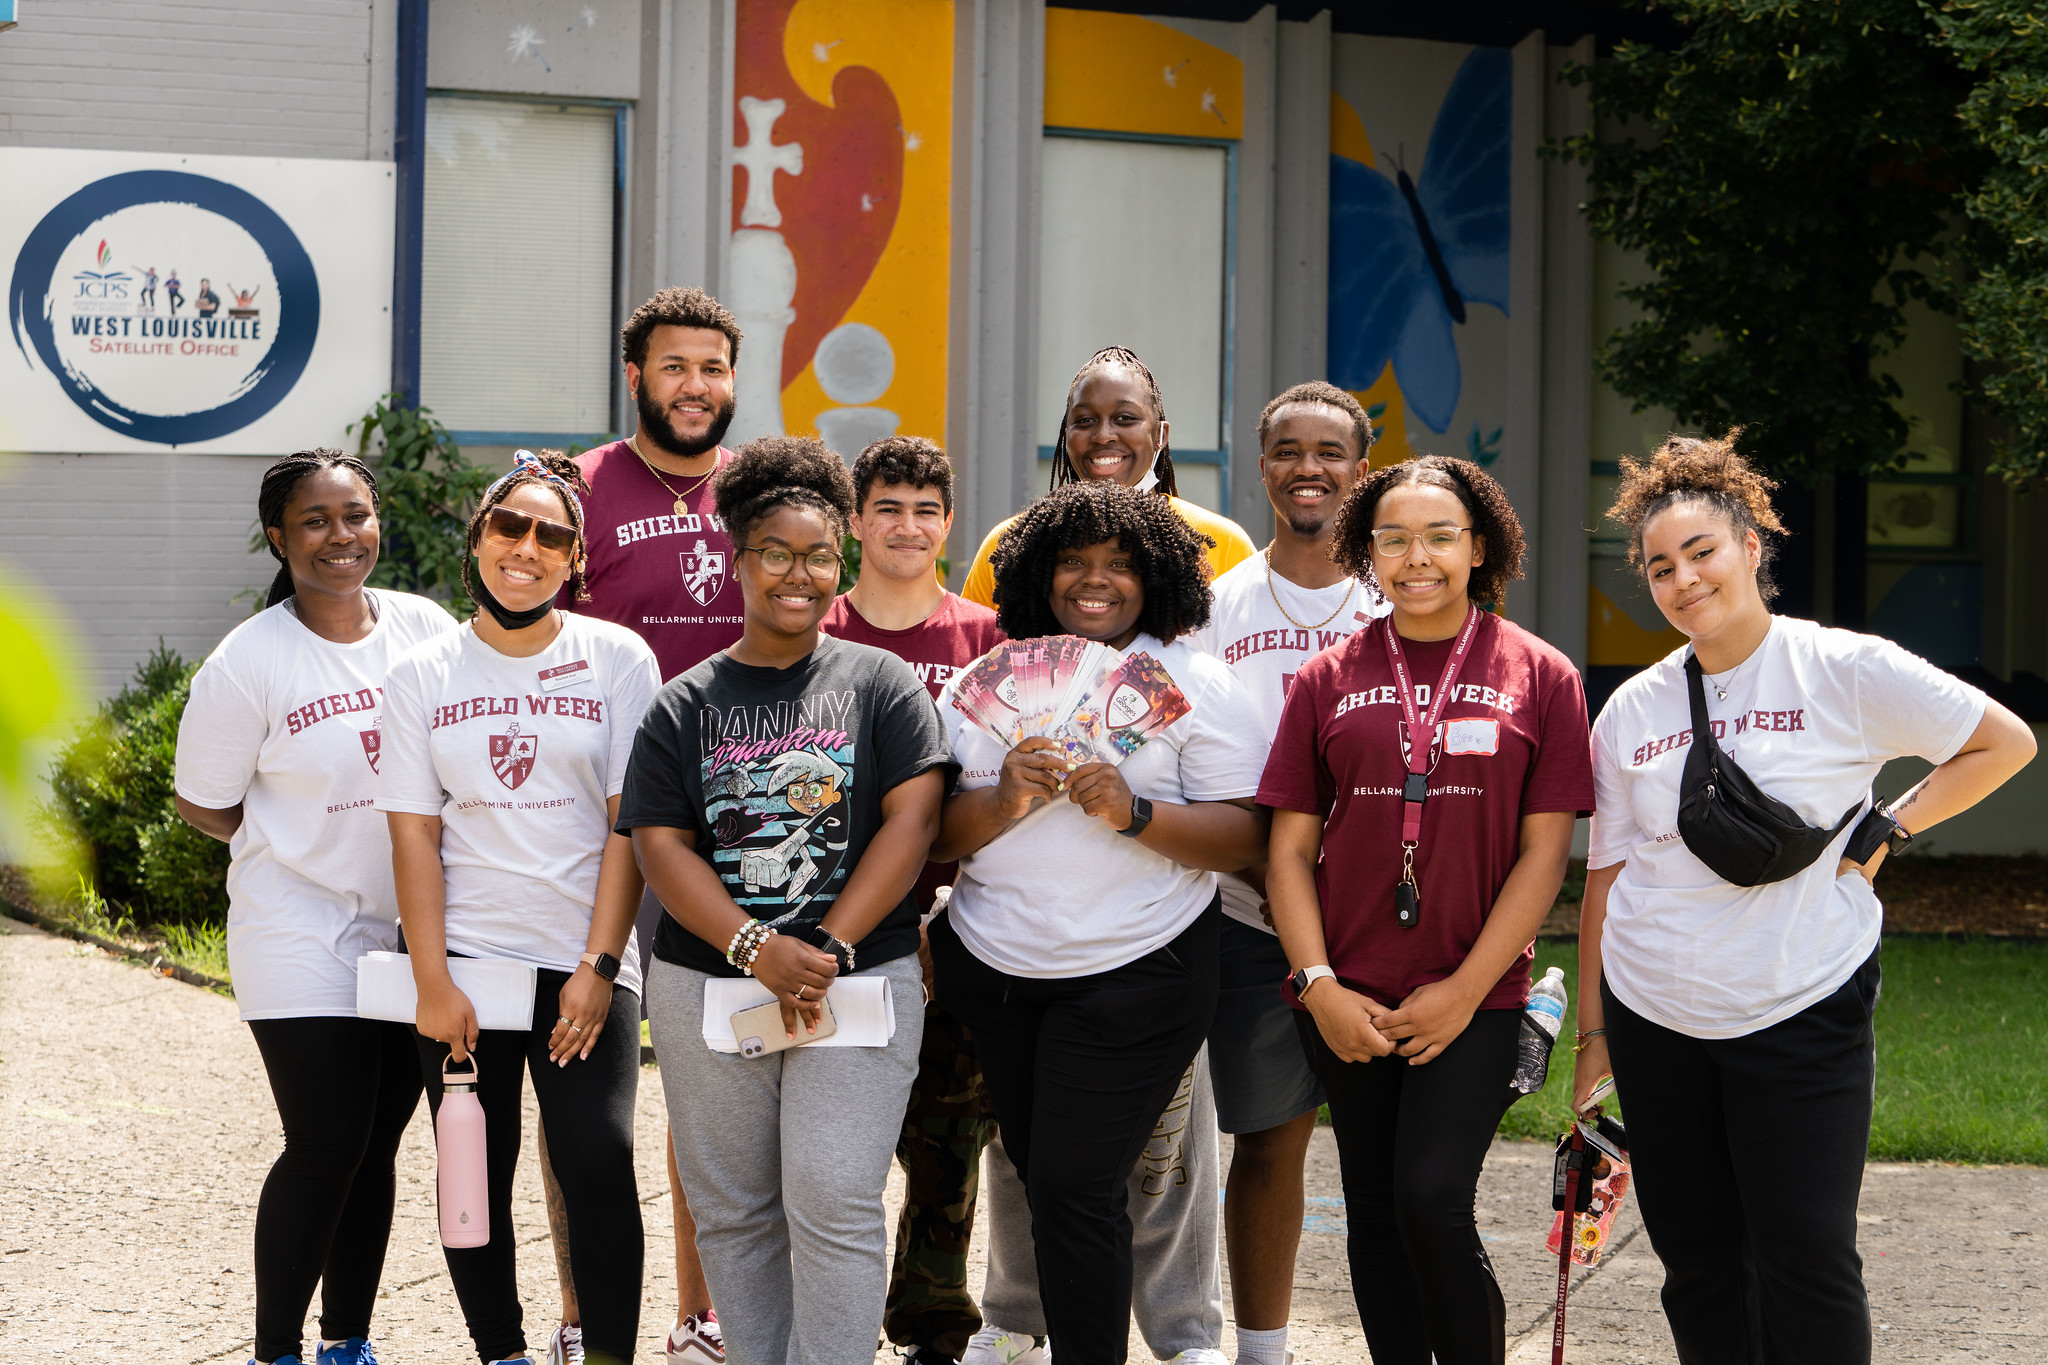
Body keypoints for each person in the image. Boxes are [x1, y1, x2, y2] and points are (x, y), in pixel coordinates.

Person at [1573, 433, 2036, 1364]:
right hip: (1655, 1014)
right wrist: (1594, 1034)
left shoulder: (1843, 667)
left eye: (1702, 552)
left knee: (1806, 1255)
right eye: (1661, 567)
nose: (1683, 579)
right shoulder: (1632, 709)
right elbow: (1607, 876)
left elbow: (2004, 741)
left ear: (1751, 547)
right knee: (1695, 1260)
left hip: (1800, 1003)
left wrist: (1889, 827)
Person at [622, 437, 956, 1365]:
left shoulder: (880, 684)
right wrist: (752, 948)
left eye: (817, 556)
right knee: (733, 1208)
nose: (798, 574)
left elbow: (912, 820)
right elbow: (660, 843)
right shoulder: (682, 704)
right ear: (739, 559)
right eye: (776, 552)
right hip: (709, 983)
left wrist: (830, 947)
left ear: (838, 561)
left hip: (859, 976)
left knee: (835, 1194)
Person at [929, 480, 1271, 1365]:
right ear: (1038, 573)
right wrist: (1002, 797)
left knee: (1076, 1188)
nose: (1096, 579)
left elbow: (1248, 838)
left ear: (1155, 576)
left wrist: (1138, 813)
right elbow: (937, 838)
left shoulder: (1198, 682)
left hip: (1138, 976)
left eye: (1121, 563)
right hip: (999, 973)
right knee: (1051, 1185)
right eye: (1074, 560)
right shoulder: (980, 683)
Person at [1261, 454, 1593, 1365]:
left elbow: (1545, 855)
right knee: (1371, 1208)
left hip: (1476, 997)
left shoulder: (1542, 674)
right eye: (1394, 538)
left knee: (1431, 1198)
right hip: (1347, 999)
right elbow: (1287, 850)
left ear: (1478, 545)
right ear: (1368, 551)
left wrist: (1466, 988)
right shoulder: (1325, 676)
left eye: (1440, 536)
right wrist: (1318, 984)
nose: (1418, 557)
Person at [173, 451, 456, 1365]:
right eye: (316, 521)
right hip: (297, 930)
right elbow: (203, 801)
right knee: (327, 1136)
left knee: (375, 1147)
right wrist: (297, 848)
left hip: (413, 935)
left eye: (355, 515)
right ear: (279, 537)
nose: (342, 536)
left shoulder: (423, 627)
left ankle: (347, 1341)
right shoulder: (250, 659)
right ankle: (274, 1350)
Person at [378, 449, 659, 1365]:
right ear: (479, 540)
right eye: (510, 526)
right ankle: (502, 1351)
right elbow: (415, 836)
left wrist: (600, 966)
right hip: (467, 970)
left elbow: (630, 828)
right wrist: (432, 980)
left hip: (583, 963)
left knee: (598, 1160)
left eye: (552, 534)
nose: (527, 547)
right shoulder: (423, 670)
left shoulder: (617, 657)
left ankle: (609, 1355)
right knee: (472, 1173)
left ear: (576, 558)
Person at [552, 284, 746, 1365]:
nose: (693, 387)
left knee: (708, 1085)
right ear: (636, 377)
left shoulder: (759, 488)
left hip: (738, 820)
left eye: (711, 368)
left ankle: (700, 1317)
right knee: (582, 1081)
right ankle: (584, 1319)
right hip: (598, 825)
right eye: (674, 367)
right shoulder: (580, 491)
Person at [1182, 382, 1388, 1365]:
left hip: (1390, 923)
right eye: (1287, 451)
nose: (1308, 469)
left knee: (1402, 1164)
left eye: (1329, 451)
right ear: (1260, 467)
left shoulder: (1403, 597)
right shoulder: (1216, 609)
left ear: (1362, 466)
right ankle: (1260, 1350)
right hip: (1247, 916)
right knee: (1266, 1141)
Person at [819, 436, 1004, 1365]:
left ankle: (934, 1329)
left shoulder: (989, 639)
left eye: (926, 510)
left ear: (949, 522)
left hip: (959, 929)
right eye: (888, 507)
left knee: (946, 1151)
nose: (907, 526)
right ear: (856, 520)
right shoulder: (816, 631)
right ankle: (828, 1326)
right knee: (838, 1153)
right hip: (836, 929)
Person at [960, 346, 1255, 608]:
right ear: (1066, 437)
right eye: (1085, 421)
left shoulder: (1225, 544)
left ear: (1160, 435)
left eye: (1125, 419)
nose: (1103, 435)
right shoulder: (1010, 544)